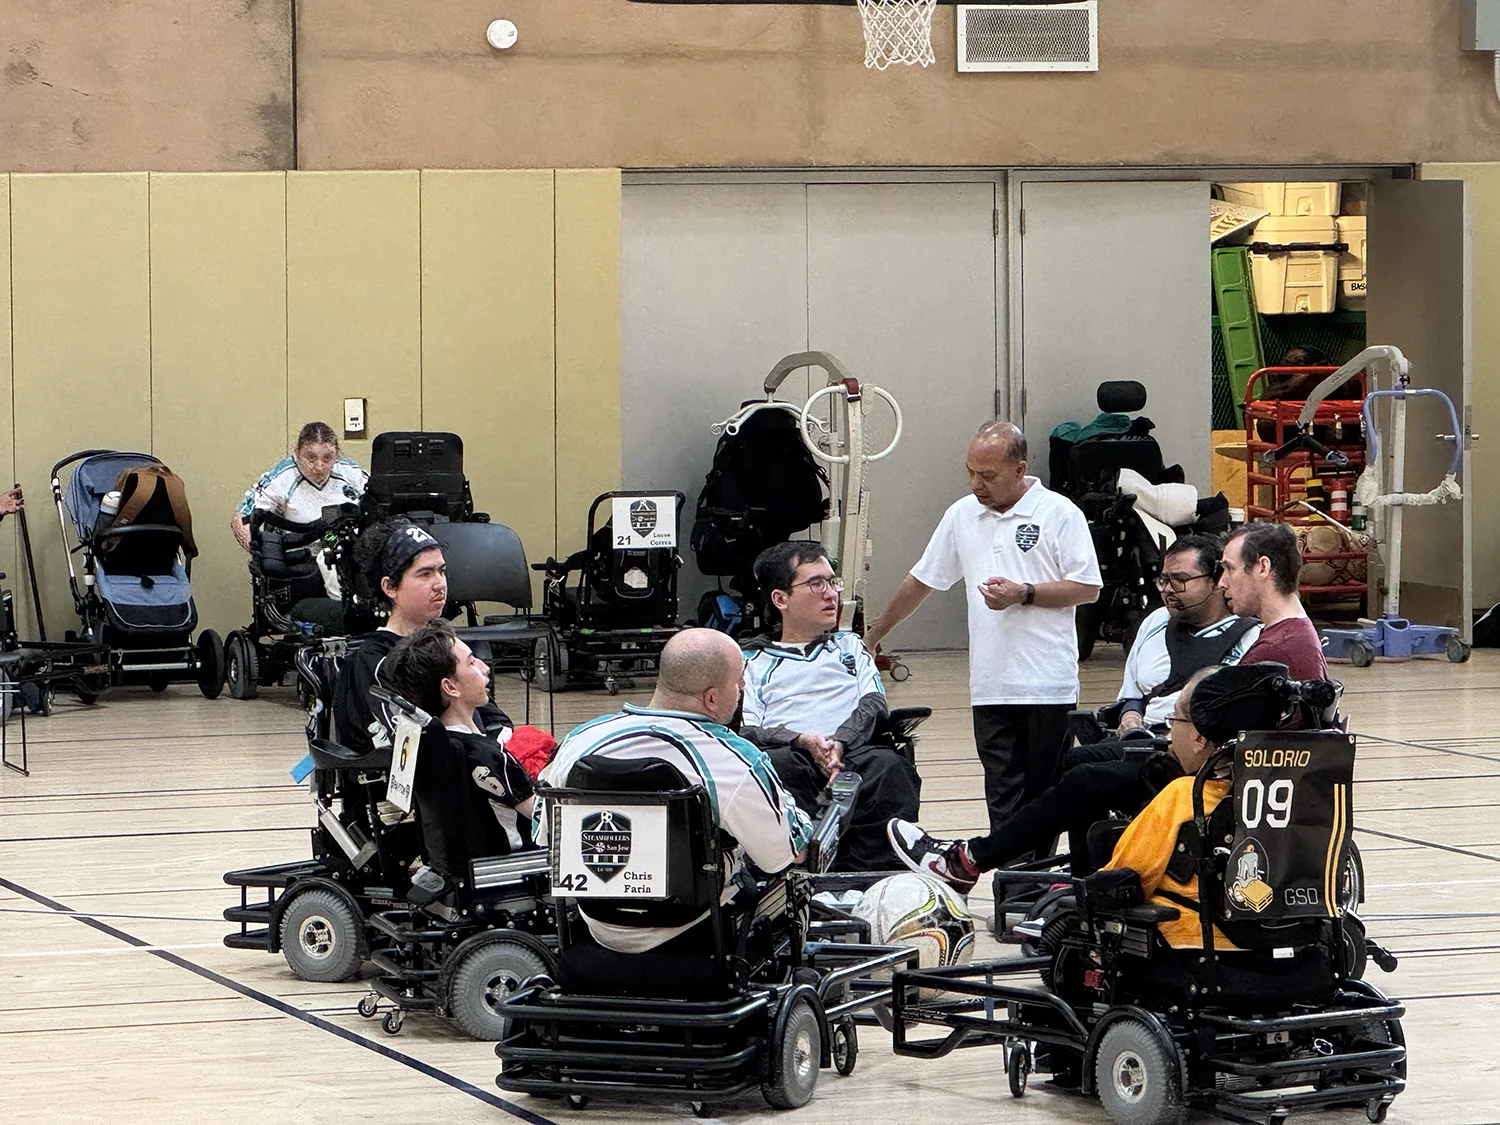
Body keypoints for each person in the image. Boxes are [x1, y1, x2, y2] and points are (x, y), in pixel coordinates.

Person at [865, 420, 1101, 842]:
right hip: (990, 685)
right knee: (1001, 796)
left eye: (988, 475)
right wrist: (875, 633)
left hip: (1048, 686)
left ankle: (1038, 886)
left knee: (1043, 798)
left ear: (1019, 469)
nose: (977, 484)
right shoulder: (961, 515)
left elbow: (1087, 588)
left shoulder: (1060, 513)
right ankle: (1011, 892)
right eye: (970, 472)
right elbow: (923, 579)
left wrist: (1024, 593)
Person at [538, 628, 812, 958]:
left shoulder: (580, 740)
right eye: (738, 684)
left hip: (597, 927)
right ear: (711, 698)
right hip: (696, 932)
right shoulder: (731, 758)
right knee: (795, 878)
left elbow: (544, 836)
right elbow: (779, 856)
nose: (741, 692)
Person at [740, 541, 920, 871]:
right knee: (773, 768)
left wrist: (839, 742)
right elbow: (747, 728)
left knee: (888, 767)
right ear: (780, 599)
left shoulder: (850, 647)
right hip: (790, 756)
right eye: (816, 584)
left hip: (854, 751)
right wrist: (802, 741)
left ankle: (876, 879)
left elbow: (873, 702)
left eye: (832, 582)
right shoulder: (751, 660)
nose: (831, 594)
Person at [334, 518, 507, 754]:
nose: (439, 584)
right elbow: (402, 742)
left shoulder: (450, 646)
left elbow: (497, 722)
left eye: (441, 571)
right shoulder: (372, 661)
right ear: (390, 587)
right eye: (425, 574)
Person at [382, 619, 534, 856]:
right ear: (450, 687)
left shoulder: (429, 745)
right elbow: (546, 815)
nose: (485, 668)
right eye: (472, 662)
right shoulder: (487, 755)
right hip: (514, 866)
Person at [1114, 534, 1260, 735]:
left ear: (1217, 580)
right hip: (1143, 737)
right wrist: (1130, 716)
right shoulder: (1156, 620)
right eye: (1164, 580)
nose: (1167, 590)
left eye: (1181, 580)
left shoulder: (1252, 636)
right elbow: (1133, 696)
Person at [232, 422, 368, 620]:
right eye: (310, 458)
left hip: (348, 552)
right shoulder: (282, 478)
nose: (319, 466)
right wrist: (262, 553)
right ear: (297, 453)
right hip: (302, 557)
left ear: (337, 454)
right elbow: (240, 519)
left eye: (327, 458)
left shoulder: (352, 474)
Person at [1217, 521, 1327, 680]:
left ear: (1263, 567)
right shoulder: (1294, 634)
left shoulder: (1275, 651)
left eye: (1230, 568)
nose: (1222, 583)